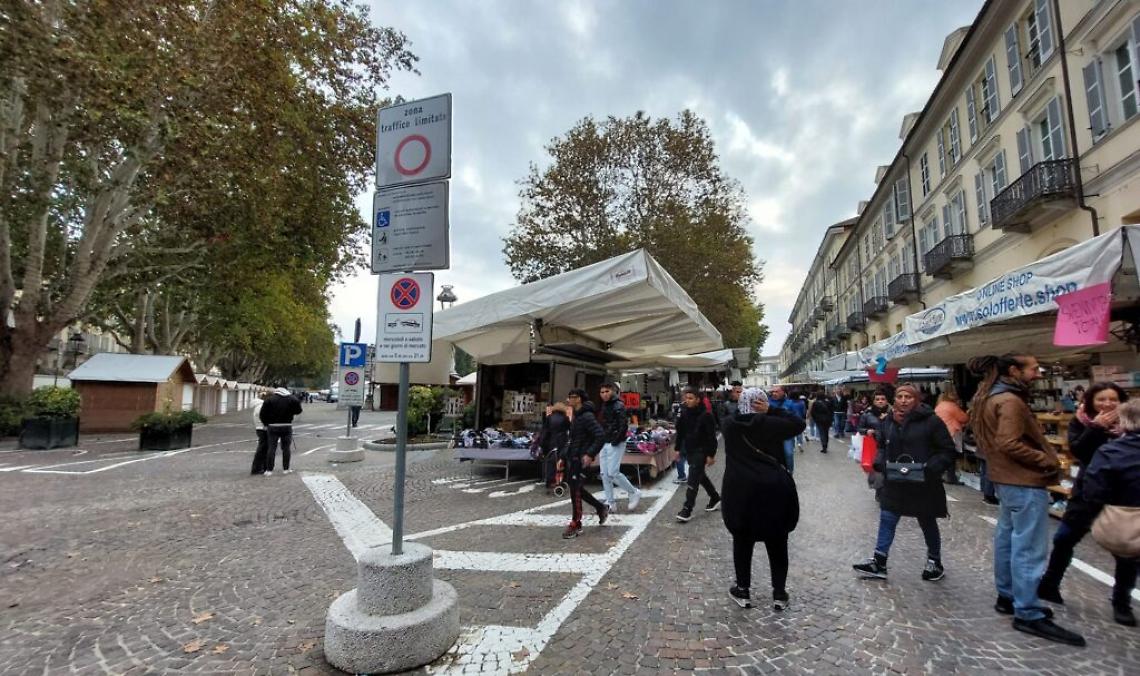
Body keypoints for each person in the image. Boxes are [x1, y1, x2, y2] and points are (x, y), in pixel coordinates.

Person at [971, 353, 1085, 647]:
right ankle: (1028, 612)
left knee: (1008, 539)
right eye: (1034, 368)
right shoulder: (1009, 401)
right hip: (1022, 480)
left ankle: (1009, 597)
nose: (1038, 373)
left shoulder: (989, 397)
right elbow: (1007, 442)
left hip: (1006, 479)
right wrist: (1047, 460)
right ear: (1013, 371)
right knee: (1028, 547)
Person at [1039, 382, 1133, 625]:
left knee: (1127, 550)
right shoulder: (1081, 421)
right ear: (1091, 401)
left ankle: (1121, 602)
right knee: (1064, 539)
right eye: (1102, 399)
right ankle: (1050, 585)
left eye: (1113, 399)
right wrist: (1097, 428)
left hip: (1124, 494)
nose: (1108, 404)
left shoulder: (1131, 423)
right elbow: (1078, 450)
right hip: (1089, 491)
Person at [852, 384, 955, 583]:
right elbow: (882, 445)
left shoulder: (931, 421)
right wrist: (880, 463)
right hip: (895, 481)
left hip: (923, 482)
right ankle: (879, 562)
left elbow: (947, 450)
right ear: (895, 399)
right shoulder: (889, 421)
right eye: (900, 396)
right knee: (887, 517)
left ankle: (934, 561)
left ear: (916, 399)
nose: (904, 400)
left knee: (927, 520)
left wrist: (929, 468)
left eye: (908, 396)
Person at [721, 388, 804, 611]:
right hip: (773, 490)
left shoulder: (729, 425)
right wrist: (772, 410)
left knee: (742, 539)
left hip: (740, 490)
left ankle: (743, 590)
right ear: (763, 403)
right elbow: (799, 424)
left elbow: (732, 416)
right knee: (777, 542)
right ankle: (778, 593)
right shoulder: (771, 424)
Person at [1077, 398, 1140, 627]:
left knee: (1127, 562)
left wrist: (1101, 513)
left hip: (1124, 518)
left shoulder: (1111, 451)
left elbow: (1093, 490)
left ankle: (1121, 603)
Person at [562, 389, 609, 539]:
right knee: (577, 489)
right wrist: (563, 457)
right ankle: (600, 507)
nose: (570, 399)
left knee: (575, 490)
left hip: (581, 458)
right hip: (573, 457)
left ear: (580, 399)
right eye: (569, 396)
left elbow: (600, 435)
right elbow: (572, 439)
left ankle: (576, 523)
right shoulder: (577, 416)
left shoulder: (587, 416)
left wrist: (590, 454)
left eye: (573, 397)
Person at [674, 386, 721, 522]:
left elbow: (711, 437)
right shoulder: (684, 414)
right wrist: (677, 449)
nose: (687, 401)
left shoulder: (706, 415)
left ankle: (687, 509)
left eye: (690, 398)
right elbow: (680, 433)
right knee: (700, 476)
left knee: (693, 479)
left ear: (698, 400)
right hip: (689, 450)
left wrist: (711, 455)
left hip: (701, 451)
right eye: (686, 398)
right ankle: (715, 497)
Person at [598, 383, 642, 512]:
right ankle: (610, 502)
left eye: (607, 391)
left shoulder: (619, 405)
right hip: (605, 442)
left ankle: (633, 491)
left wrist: (615, 440)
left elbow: (623, 425)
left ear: (613, 391)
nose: (604, 394)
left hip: (614, 442)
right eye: (602, 392)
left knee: (612, 473)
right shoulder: (605, 405)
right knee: (604, 474)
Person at [259, 387, 303, 476]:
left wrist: (266, 424)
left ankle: (269, 470)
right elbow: (299, 410)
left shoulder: (269, 400)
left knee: (271, 448)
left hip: (272, 426)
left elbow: (262, 414)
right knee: (286, 448)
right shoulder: (292, 399)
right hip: (287, 426)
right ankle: (286, 469)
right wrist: (290, 412)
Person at [934, 392, 969, 485]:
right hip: (952, 433)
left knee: (942, 454)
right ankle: (951, 477)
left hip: (940, 433)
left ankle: (940, 475)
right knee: (952, 456)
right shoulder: (952, 406)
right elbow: (964, 418)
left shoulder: (939, 406)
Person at [537, 402, 572, 492]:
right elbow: (570, 430)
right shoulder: (565, 418)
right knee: (561, 462)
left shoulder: (549, 418)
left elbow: (545, 432)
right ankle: (561, 481)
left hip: (551, 443)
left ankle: (550, 481)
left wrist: (542, 444)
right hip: (562, 443)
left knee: (550, 463)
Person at [767, 385, 798, 473]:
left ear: (783, 392)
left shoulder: (790, 403)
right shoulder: (768, 403)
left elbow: (795, 419)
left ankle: (790, 474)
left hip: (787, 434)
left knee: (789, 454)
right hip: (772, 434)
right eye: (773, 391)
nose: (774, 393)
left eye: (777, 391)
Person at [250, 392, 269, 475]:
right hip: (263, 428)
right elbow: (263, 417)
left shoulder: (259, 406)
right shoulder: (262, 406)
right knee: (262, 449)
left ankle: (263, 467)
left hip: (260, 428)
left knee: (264, 448)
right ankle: (257, 468)